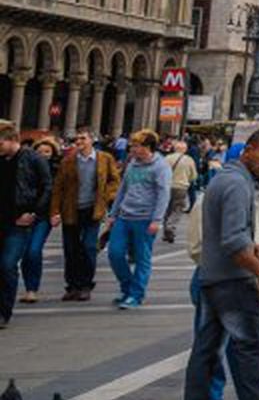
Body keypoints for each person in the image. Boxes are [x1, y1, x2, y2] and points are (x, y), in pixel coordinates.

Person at [180, 127, 259, 400]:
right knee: (248, 349)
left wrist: (255, 250)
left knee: (204, 352)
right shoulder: (235, 184)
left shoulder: (224, 180)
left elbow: (228, 234)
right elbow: (232, 240)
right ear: (248, 150)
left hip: (211, 278)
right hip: (232, 283)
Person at [50, 127, 120, 302]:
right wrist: (55, 211)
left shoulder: (105, 159)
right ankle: (72, 286)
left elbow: (115, 180)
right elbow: (58, 188)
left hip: (93, 210)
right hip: (71, 210)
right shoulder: (68, 161)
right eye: (76, 140)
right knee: (71, 249)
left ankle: (85, 285)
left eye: (82, 139)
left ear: (92, 140)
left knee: (89, 247)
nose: (79, 142)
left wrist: (106, 196)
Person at [107, 129, 172, 308]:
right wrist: (113, 214)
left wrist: (157, 220)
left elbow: (163, 194)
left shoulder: (161, 166)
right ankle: (127, 288)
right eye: (132, 146)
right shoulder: (132, 163)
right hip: (124, 215)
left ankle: (136, 294)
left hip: (145, 218)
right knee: (115, 253)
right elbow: (122, 189)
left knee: (142, 258)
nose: (132, 149)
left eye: (136, 146)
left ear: (147, 147)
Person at [0, 120, 55, 329]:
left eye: (0, 144)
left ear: (13, 140)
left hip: (19, 221)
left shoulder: (33, 159)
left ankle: (4, 311)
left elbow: (47, 186)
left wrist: (34, 212)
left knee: (7, 264)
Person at [163, 136, 198, 242]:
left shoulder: (167, 158)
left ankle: (166, 231)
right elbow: (194, 176)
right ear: (185, 150)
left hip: (167, 186)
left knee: (167, 209)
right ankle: (171, 226)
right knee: (177, 209)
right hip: (181, 187)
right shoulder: (189, 160)